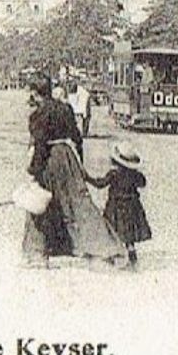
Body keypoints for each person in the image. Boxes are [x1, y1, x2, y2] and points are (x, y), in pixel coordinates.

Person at [22, 73, 123, 267]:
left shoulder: (38, 115)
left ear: (35, 93)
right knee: (79, 202)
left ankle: (38, 252)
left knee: (40, 202)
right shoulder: (65, 108)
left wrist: (34, 170)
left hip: (50, 159)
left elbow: (40, 144)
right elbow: (77, 137)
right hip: (67, 156)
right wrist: (79, 163)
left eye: (31, 92)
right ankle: (105, 247)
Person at [85, 143, 152, 268]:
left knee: (111, 232)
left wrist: (87, 178)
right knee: (129, 237)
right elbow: (143, 183)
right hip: (132, 207)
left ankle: (112, 258)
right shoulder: (134, 175)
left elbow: (100, 184)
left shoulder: (114, 174)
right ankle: (133, 261)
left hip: (115, 207)